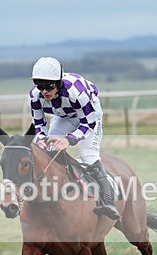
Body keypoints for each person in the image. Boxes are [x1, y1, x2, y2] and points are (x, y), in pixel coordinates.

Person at [29, 56, 120, 220]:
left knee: (88, 154)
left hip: (89, 117)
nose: (44, 91)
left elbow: (87, 123)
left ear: (58, 82)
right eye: (39, 86)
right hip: (63, 116)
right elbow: (39, 125)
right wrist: (41, 140)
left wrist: (69, 140)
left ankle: (108, 201)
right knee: (49, 149)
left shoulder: (76, 91)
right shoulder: (35, 96)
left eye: (48, 86)